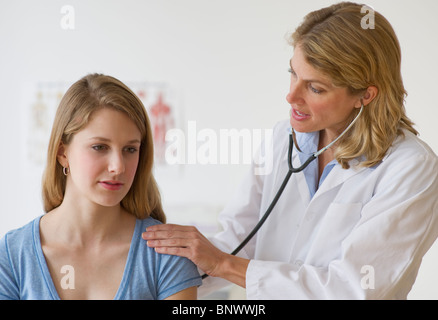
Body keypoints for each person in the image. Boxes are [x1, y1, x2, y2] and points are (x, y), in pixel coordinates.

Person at [142, 2, 438, 299]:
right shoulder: (282, 138)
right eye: (293, 73)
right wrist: (158, 268)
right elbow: (239, 238)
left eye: (315, 88)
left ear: (365, 95)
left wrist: (223, 264)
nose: (291, 95)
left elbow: (353, 289)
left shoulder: (412, 168)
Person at [0, 74, 201, 300]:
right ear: (62, 153)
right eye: (99, 147)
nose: (118, 167)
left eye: (130, 149)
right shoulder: (12, 255)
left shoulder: (167, 254)